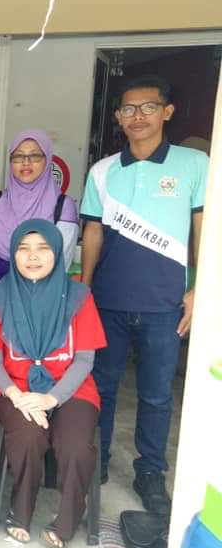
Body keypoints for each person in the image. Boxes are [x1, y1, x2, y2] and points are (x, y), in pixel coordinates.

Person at [80, 74, 206, 513]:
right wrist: (85, 290)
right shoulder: (102, 171)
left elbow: (204, 230)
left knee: (156, 394)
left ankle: (150, 471)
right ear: (117, 116)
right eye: (129, 109)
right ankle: (94, 462)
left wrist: (198, 289)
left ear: (166, 111)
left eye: (148, 107)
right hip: (108, 301)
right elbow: (93, 233)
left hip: (165, 303)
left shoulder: (195, 165)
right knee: (101, 387)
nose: (138, 116)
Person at [0, 220, 106, 548]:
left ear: (58, 253)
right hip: (14, 388)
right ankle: (20, 509)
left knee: (75, 444)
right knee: (27, 435)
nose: (33, 257)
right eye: (24, 249)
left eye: (42, 249)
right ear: (13, 254)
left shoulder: (79, 297)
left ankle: (69, 516)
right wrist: (18, 397)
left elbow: (84, 360)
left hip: (71, 388)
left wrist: (51, 399)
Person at [0, 130, 78, 292]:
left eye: (34, 156)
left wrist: (38, 295)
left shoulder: (63, 206)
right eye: (18, 156)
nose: (26, 163)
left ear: (47, 160)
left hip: (40, 295)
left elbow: (62, 259)